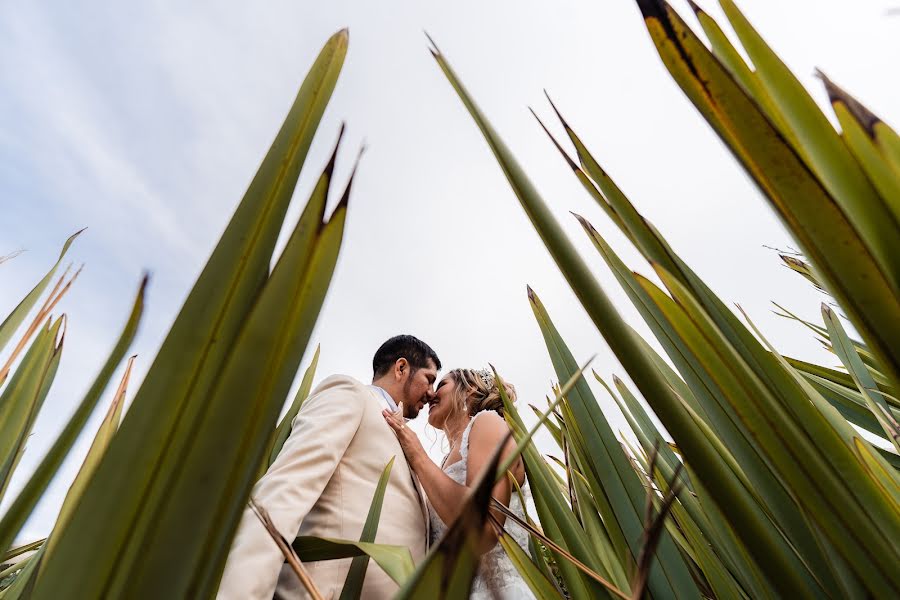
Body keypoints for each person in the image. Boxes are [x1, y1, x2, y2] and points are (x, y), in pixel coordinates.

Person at [217, 335, 441, 599]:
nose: (432, 393)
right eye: (429, 379)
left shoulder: (410, 447)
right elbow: (288, 488)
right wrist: (241, 592)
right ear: (401, 368)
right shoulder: (350, 393)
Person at [383, 367, 535, 600]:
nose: (431, 393)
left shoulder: (487, 424)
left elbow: (483, 527)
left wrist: (418, 457)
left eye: (441, 384)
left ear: (470, 390)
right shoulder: (443, 463)